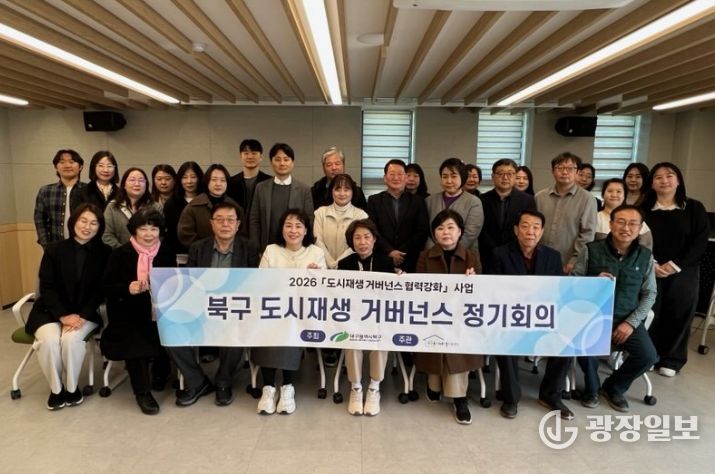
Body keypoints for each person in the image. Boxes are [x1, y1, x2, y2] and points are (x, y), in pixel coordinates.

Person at [168, 202, 260, 407]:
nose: (225, 224)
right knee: (170, 328)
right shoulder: (198, 248)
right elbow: (190, 283)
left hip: (234, 309)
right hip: (201, 308)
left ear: (238, 225)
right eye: (220, 220)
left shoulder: (249, 248)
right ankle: (197, 381)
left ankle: (224, 381)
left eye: (230, 220)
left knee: (236, 327)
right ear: (211, 223)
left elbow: (255, 283)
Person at [572, 204, 658, 412]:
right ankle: (591, 389)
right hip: (592, 317)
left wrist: (631, 323)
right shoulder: (590, 250)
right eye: (621, 222)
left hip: (626, 318)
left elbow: (650, 294)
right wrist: (592, 282)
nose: (626, 228)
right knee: (585, 347)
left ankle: (614, 387)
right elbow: (572, 283)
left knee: (648, 356)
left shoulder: (645, 257)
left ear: (640, 228)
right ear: (610, 224)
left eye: (632, 224)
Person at [25, 203, 111, 410]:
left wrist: (82, 315)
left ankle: (72, 388)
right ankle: (56, 389)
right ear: (73, 222)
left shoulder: (105, 252)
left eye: (93, 223)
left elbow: (101, 289)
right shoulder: (54, 249)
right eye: (83, 221)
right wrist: (63, 315)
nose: (87, 227)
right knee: (49, 341)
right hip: (50, 311)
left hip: (85, 313)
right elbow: (47, 287)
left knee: (71, 340)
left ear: (99, 227)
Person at [492, 210, 574, 420]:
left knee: (567, 341)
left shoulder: (553, 256)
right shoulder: (499, 254)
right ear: (516, 230)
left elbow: (558, 292)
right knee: (504, 341)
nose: (531, 231)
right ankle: (511, 398)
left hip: (542, 320)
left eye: (536, 227)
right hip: (511, 319)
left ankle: (550, 396)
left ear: (542, 231)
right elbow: (492, 291)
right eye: (525, 226)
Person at [101, 209, 175, 415]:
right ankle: (142, 392)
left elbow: (174, 284)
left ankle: (161, 372)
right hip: (127, 313)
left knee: (168, 329)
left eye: (154, 229)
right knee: (135, 338)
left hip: (159, 311)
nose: (149, 234)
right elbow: (106, 287)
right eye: (143, 229)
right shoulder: (120, 254)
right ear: (134, 230)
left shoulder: (166, 253)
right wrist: (127, 288)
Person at [253, 209, 326, 415]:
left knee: (291, 326)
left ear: (306, 230)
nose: (293, 230)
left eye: (298, 226)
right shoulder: (271, 250)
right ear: (281, 229)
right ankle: (268, 388)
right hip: (274, 309)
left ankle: (287, 387)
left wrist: (316, 276)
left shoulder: (316, 253)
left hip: (304, 312)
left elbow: (324, 289)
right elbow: (261, 282)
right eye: (288, 225)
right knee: (268, 326)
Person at [414, 209, 481, 425]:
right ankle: (433, 386)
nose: (446, 232)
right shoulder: (424, 257)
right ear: (434, 233)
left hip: (462, 318)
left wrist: (473, 282)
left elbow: (482, 292)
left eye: (451, 227)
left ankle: (459, 398)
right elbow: (418, 290)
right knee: (435, 337)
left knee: (456, 343)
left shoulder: (471, 257)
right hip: (433, 316)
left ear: (460, 232)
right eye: (440, 228)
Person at [643, 162, 709, 377]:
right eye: (658, 177)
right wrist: (652, 264)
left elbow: (700, 241)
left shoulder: (694, 208)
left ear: (678, 180)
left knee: (679, 313)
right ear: (652, 183)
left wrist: (675, 265)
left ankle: (672, 359)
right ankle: (650, 355)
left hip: (684, 269)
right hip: (650, 268)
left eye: (669, 176)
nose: (664, 180)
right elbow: (636, 238)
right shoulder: (644, 209)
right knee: (651, 311)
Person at [338, 219, 394, 416]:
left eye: (367, 237)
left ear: (374, 239)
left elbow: (393, 293)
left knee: (380, 339)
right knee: (350, 339)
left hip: (378, 318)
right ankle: (356, 387)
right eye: (357, 238)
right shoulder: (344, 264)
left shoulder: (386, 262)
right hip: (353, 318)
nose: (362, 242)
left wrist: (401, 279)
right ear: (351, 241)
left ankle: (374, 387)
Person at [535, 152, 597, 274]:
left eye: (570, 168)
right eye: (560, 168)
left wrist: (574, 260)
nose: (564, 172)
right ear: (553, 171)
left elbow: (587, 234)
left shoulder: (587, 199)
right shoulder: (540, 197)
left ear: (577, 172)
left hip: (568, 262)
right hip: (539, 259)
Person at [367, 159, 429, 273]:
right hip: (382, 258)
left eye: (400, 174)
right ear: (385, 178)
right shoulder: (374, 201)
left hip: (411, 260)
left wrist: (402, 253)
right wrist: (390, 251)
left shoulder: (418, 202)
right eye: (392, 174)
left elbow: (422, 231)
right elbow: (372, 230)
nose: (396, 178)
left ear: (405, 177)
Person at [249, 143, 314, 252]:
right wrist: (256, 249)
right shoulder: (261, 188)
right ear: (271, 162)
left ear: (292, 162)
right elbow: (254, 220)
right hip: (267, 248)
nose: (282, 163)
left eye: (286, 159)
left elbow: (309, 220)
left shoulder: (304, 190)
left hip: (295, 249)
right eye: (277, 159)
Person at [478, 158, 536, 273]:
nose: (505, 178)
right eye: (500, 174)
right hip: (488, 255)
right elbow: (480, 228)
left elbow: (528, 227)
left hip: (517, 255)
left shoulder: (527, 200)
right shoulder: (481, 200)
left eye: (510, 174)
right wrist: (494, 249)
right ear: (493, 177)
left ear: (515, 176)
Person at [424, 158, 483, 253]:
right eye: (444, 176)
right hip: (432, 254)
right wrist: (435, 251)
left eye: (454, 176)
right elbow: (425, 231)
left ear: (463, 178)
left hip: (463, 255)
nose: (449, 181)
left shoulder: (474, 202)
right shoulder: (429, 200)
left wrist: (449, 251)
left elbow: (470, 234)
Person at [178, 164, 241, 250]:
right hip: (201, 253)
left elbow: (242, 234)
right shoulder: (193, 206)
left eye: (223, 180)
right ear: (207, 181)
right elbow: (185, 234)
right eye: (214, 180)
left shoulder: (235, 206)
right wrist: (205, 249)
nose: (218, 184)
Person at [34, 149, 87, 249]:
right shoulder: (45, 191)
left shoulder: (88, 190)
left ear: (80, 166)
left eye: (71, 162)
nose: (67, 165)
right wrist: (47, 246)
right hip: (55, 246)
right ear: (56, 167)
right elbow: (40, 220)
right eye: (62, 162)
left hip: (85, 246)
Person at [313, 174, 368, 269]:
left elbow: (356, 244)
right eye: (337, 189)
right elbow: (318, 241)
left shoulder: (361, 215)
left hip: (349, 267)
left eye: (346, 190)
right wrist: (330, 262)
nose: (342, 194)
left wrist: (338, 263)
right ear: (331, 191)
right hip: (323, 265)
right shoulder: (320, 213)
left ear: (353, 192)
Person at [103, 167, 158, 249]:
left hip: (150, 254)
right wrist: (125, 252)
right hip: (119, 254)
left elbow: (160, 234)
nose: (137, 184)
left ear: (146, 185)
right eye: (132, 180)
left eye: (141, 180)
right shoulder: (112, 207)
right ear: (124, 185)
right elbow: (107, 235)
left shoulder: (155, 207)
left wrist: (146, 252)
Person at [227, 139, 272, 236]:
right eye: (246, 153)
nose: (250, 156)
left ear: (261, 157)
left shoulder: (269, 182)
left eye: (254, 153)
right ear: (240, 156)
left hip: (262, 233)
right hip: (236, 233)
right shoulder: (230, 183)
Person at [596, 178, 652, 250]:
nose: (614, 195)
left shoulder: (635, 217)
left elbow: (646, 247)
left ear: (624, 196)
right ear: (603, 194)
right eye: (610, 191)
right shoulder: (595, 217)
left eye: (619, 191)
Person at [163, 161, 204, 256]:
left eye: (193, 177)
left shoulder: (206, 201)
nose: (189, 181)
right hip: (178, 252)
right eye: (185, 177)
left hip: (203, 252)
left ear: (199, 178)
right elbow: (170, 233)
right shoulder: (171, 204)